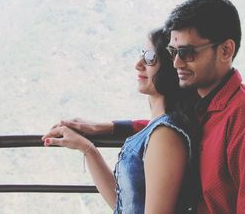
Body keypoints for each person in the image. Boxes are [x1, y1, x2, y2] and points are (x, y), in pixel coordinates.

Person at [54, 0, 245, 213]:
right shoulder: (203, 107)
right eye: (172, 52)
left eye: (187, 52)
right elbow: (166, 127)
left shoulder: (242, 118)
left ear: (226, 50)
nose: (176, 63)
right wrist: (110, 127)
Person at [42, 28, 196, 213]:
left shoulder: (165, 135)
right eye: (141, 55)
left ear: (171, 67)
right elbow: (125, 204)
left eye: (149, 58)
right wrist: (88, 150)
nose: (138, 64)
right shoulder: (157, 129)